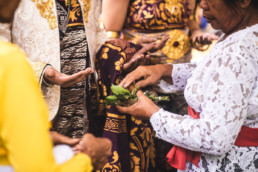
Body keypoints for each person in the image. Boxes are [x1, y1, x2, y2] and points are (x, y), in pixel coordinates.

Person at [116, 0, 258, 171]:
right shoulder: (244, 33)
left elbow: (214, 137)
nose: (203, 5)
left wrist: (153, 114)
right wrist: (164, 70)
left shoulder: (237, 53)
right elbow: (218, 75)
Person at [97, 0, 218, 171]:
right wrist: (136, 50)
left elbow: (192, 26)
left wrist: (198, 36)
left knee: (184, 149)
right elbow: (110, 38)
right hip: (144, 86)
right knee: (150, 157)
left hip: (183, 85)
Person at [0, 2, 112, 172]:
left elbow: (96, 31)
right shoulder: (10, 63)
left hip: (83, 101)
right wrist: (88, 158)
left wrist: (121, 50)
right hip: (36, 101)